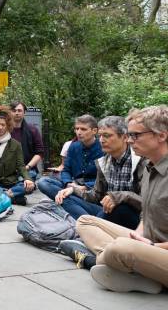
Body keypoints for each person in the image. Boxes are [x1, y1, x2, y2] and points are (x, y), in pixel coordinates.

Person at [70, 105, 168, 294]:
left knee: (121, 247)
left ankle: (93, 261)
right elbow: (146, 217)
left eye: (135, 135)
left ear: (161, 135)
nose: (130, 141)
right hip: (147, 244)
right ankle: (140, 276)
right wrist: (139, 236)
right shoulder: (150, 167)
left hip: (160, 249)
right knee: (85, 221)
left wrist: (150, 246)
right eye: (129, 135)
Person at [55, 116, 142, 228]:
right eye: (100, 136)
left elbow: (149, 203)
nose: (101, 140)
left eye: (107, 136)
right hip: (106, 209)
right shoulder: (104, 162)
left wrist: (120, 197)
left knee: (120, 208)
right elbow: (95, 196)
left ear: (125, 137)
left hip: (136, 218)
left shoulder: (140, 160)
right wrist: (72, 189)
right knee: (64, 198)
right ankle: (92, 225)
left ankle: (88, 227)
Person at [37, 115, 104, 218]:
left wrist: (84, 187)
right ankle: (72, 201)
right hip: (73, 184)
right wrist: (68, 183)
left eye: (83, 129)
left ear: (94, 131)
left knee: (65, 198)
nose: (78, 132)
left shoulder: (103, 148)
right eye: (76, 129)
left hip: (92, 190)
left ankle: (82, 216)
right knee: (43, 182)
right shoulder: (73, 146)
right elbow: (66, 169)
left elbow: (105, 179)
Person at [10, 101, 44, 180]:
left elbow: (40, 152)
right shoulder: (4, 130)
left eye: (19, 110)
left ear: (24, 112)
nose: (17, 113)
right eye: (14, 110)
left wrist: (28, 167)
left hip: (28, 169)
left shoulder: (32, 130)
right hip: (8, 171)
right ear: (10, 112)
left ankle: (10, 191)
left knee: (22, 181)